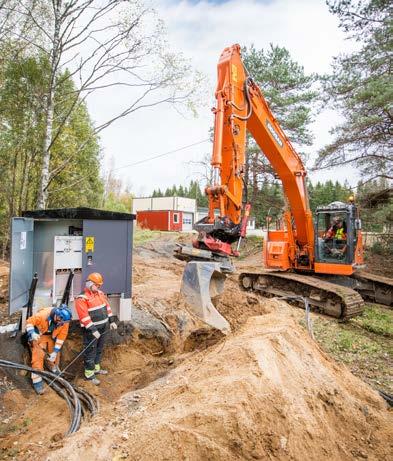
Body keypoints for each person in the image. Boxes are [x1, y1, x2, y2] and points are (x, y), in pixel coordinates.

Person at [75, 272, 118, 385]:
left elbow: (107, 307)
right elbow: (84, 317)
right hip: (91, 331)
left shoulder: (100, 294)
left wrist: (112, 321)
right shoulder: (82, 298)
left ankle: (96, 369)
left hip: (103, 327)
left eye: (99, 285)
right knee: (90, 351)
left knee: (99, 348)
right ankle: (89, 375)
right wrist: (93, 330)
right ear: (90, 284)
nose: (98, 287)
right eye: (97, 285)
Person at [25, 305, 72, 394]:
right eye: (60, 321)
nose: (61, 324)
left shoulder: (64, 321)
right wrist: (32, 333)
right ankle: (37, 382)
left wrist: (55, 351)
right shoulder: (42, 315)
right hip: (38, 336)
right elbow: (29, 322)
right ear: (57, 316)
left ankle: (53, 369)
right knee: (38, 356)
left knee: (54, 355)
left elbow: (61, 337)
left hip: (51, 336)